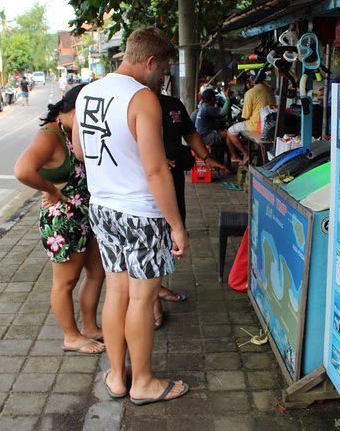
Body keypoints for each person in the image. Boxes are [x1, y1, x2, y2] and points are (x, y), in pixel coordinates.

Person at [72, 26, 190, 405]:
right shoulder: (142, 98)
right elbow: (156, 171)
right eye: (163, 69)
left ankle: (116, 376)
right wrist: (176, 225)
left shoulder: (87, 92)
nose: (163, 77)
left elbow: (79, 150)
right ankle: (142, 382)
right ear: (150, 61)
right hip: (140, 213)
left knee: (116, 291)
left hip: (102, 207)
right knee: (142, 298)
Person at [13, 83, 105, 355]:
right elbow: (22, 170)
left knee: (97, 273)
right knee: (65, 282)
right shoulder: (50, 135)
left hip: (85, 216)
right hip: (62, 221)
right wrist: (50, 189)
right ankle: (71, 336)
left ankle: (89, 327)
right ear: (77, 108)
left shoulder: (71, 131)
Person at [153, 87, 228, 329]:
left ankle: (156, 285)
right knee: (153, 236)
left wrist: (206, 157)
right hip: (146, 185)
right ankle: (153, 299)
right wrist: (150, 158)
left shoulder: (173, 104)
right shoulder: (132, 102)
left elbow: (190, 133)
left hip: (174, 181)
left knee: (169, 236)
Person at [226, 71, 275, 162]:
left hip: (257, 125)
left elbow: (246, 116)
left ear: (252, 80)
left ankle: (246, 153)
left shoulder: (250, 93)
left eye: (248, 80)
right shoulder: (269, 89)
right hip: (271, 124)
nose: (247, 82)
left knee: (230, 131)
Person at [194, 87, 241, 163]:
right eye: (215, 97)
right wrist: (228, 98)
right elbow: (223, 113)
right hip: (205, 137)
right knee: (229, 134)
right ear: (212, 99)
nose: (215, 99)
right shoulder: (207, 108)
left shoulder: (203, 106)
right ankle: (234, 156)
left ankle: (230, 157)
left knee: (225, 133)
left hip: (203, 135)